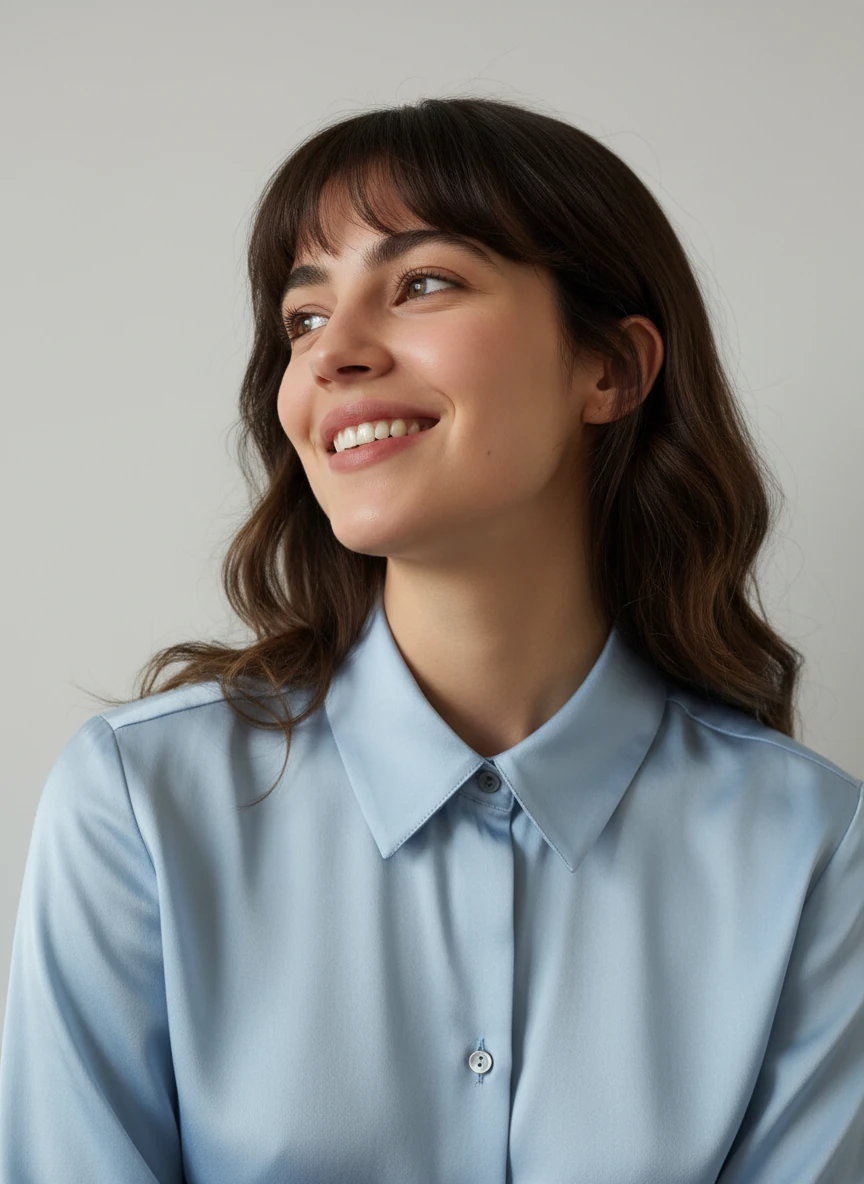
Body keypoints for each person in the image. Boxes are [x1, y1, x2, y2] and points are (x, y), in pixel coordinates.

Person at [1, 95, 862, 1182]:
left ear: (612, 369)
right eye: (303, 318)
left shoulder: (811, 848)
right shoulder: (139, 804)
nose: (332, 356)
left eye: (422, 283)